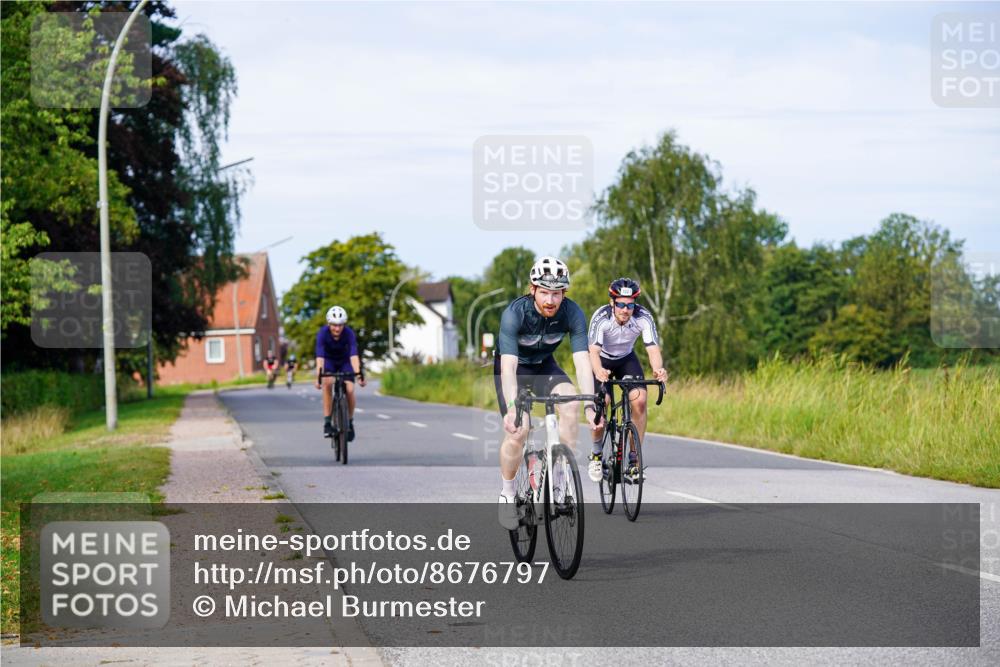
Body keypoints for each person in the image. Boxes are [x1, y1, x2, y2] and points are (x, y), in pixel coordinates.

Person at [494, 256, 602, 530]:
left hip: (545, 367)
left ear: (564, 293)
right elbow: (508, 366)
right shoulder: (514, 314)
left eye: (557, 293)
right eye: (544, 292)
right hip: (514, 369)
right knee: (519, 430)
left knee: (571, 403)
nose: (551, 300)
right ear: (532, 290)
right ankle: (507, 494)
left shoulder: (572, 313)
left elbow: (581, 361)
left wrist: (590, 405)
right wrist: (511, 407)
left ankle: (557, 476)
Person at [586, 277, 667, 483]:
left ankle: (634, 461)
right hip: (601, 359)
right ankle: (596, 455)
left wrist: (658, 369)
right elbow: (593, 352)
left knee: (639, 401)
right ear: (612, 302)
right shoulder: (601, 318)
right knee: (601, 403)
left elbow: (652, 348)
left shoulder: (643, 317)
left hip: (626, 359)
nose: (625, 309)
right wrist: (598, 371)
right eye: (621, 304)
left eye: (630, 305)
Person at [314, 306, 366, 440]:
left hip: (345, 362)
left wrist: (359, 374)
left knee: (349, 389)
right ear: (328, 324)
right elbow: (320, 358)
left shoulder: (349, 333)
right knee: (327, 383)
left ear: (344, 324)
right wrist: (318, 378)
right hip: (329, 361)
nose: (337, 329)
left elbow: (354, 356)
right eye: (334, 325)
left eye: (340, 325)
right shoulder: (322, 333)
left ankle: (349, 421)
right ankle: (327, 422)